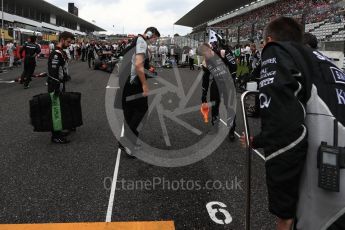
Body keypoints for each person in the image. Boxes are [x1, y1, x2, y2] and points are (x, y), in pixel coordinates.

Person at [240, 17, 345, 230]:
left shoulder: (277, 51)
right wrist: (258, 140)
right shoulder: (326, 62)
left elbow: (285, 134)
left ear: (269, 40)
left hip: (329, 195)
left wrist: (283, 211)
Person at [120, 27, 160, 157]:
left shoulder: (136, 40)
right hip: (135, 83)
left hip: (127, 81)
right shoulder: (142, 42)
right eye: (155, 38)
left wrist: (149, 67)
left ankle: (130, 141)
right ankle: (126, 141)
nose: (154, 41)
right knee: (141, 109)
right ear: (150, 34)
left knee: (130, 112)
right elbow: (138, 65)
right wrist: (144, 85)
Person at [200, 42, 237, 141]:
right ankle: (215, 126)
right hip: (216, 84)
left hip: (227, 83)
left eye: (206, 52)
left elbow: (233, 65)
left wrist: (233, 78)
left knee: (229, 106)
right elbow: (206, 78)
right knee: (214, 105)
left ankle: (232, 130)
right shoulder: (205, 62)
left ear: (210, 49)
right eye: (203, 53)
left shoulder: (222, 53)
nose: (205, 55)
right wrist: (204, 93)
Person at [47, 31, 75, 144]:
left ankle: (58, 131)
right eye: (68, 42)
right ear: (62, 39)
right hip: (55, 85)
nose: (69, 44)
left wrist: (65, 76)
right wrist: (56, 86)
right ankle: (55, 136)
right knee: (55, 110)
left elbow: (61, 69)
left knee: (60, 108)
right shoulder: (55, 53)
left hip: (60, 84)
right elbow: (53, 72)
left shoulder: (61, 52)